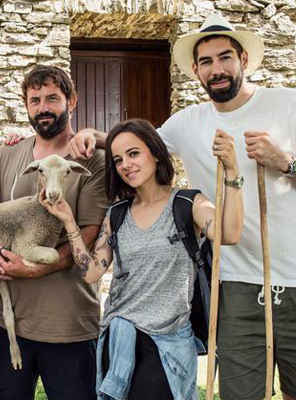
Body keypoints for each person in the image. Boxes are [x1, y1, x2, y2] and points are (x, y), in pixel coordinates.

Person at [69, 13, 296, 400]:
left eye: (225, 57)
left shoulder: (294, 105)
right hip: (235, 289)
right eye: (206, 62)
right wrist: (89, 135)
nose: (216, 69)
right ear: (195, 70)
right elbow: (136, 147)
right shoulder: (187, 123)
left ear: (244, 61)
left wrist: (285, 162)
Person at [42, 118, 243, 400]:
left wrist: (232, 170)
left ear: (155, 153)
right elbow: (91, 272)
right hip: (120, 338)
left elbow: (230, 233)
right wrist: (68, 220)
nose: (125, 164)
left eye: (133, 153)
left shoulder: (188, 204)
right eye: (118, 159)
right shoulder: (118, 214)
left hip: (166, 342)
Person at [0, 64, 108, 400]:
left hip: (69, 326)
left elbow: (90, 231)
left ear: (71, 101)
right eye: (35, 99)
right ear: (26, 104)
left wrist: (34, 268)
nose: (43, 106)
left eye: (52, 98)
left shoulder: (91, 160)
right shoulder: (6, 155)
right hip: (5, 322)